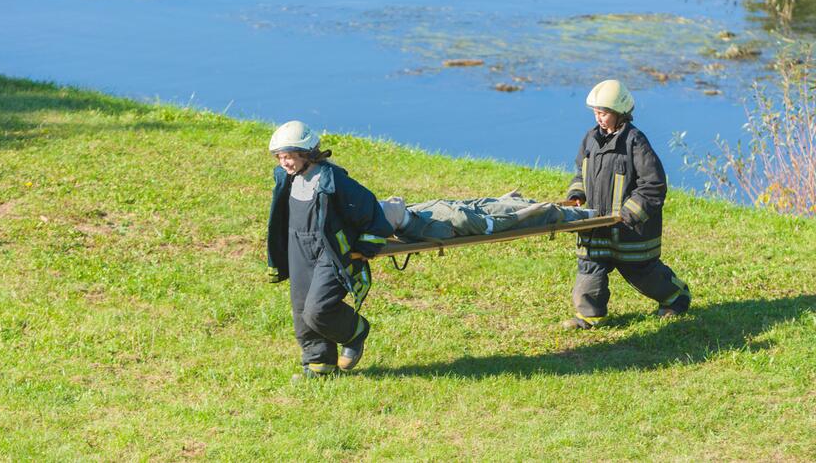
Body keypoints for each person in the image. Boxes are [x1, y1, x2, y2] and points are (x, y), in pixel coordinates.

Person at [266, 120, 394, 379]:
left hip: (329, 251)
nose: (284, 162)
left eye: (289, 157)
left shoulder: (332, 179)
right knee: (302, 313)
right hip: (298, 247)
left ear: (307, 154)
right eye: (280, 157)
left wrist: (365, 247)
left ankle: (355, 331)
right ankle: (319, 367)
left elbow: (371, 212)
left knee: (318, 309)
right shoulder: (286, 178)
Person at [562, 79, 691, 330]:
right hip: (596, 225)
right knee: (589, 268)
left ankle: (677, 297)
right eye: (596, 113)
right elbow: (580, 172)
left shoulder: (635, 142)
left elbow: (653, 185)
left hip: (630, 230)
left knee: (642, 273)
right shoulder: (590, 139)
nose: (599, 118)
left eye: (604, 113)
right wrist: (577, 194)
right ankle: (590, 316)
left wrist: (629, 214)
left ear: (621, 113)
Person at [379, 192, 596, 241]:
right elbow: (490, 225)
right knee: (545, 212)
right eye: (390, 204)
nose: (393, 199)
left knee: (519, 203)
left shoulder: (414, 211)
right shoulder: (426, 228)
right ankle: (590, 216)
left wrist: (497, 199)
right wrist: (527, 212)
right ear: (396, 219)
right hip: (487, 217)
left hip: (479, 206)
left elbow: (457, 205)